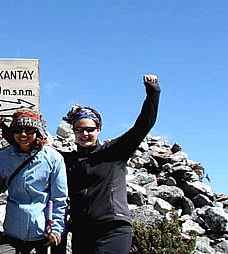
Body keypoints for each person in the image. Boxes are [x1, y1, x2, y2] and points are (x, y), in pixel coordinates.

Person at [60, 74, 160, 254]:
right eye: (79, 129)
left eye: (90, 129)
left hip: (113, 228)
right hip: (82, 233)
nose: (85, 134)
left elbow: (144, 124)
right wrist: (5, 134)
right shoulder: (68, 160)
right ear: (73, 131)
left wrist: (153, 92)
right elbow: (33, 146)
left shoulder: (114, 151)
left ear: (98, 129)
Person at [0, 110, 68, 254]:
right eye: (18, 130)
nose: (23, 134)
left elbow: (59, 199)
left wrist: (56, 230)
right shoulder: (5, 156)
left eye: (29, 130)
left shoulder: (53, 158)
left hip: (42, 236)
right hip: (13, 235)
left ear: (37, 131)